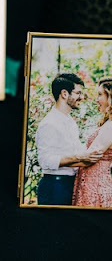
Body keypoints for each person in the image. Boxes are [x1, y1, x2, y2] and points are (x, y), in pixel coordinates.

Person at [35, 73, 103, 205]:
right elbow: (45, 160)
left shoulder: (70, 122)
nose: (81, 97)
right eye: (78, 93)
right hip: (55, 186)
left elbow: (77, 152)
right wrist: (79, 158)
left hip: (69, 184)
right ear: (64, 94)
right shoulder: (49, 123)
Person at [72, 77, 112, 207]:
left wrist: (58, 161)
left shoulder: (111, 126)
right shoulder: (107, 123)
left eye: (100, 95)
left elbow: (89, 158)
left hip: (96, 185)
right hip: (90, 181)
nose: (97, 100)